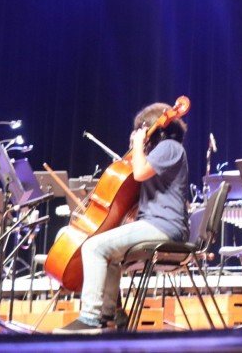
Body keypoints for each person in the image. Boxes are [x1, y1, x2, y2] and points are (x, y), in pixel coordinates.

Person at [55, 102, 190, 334]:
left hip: (165, 226)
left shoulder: (169, 147)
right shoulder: (160, 152)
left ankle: (89, 318)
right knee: (110, 255)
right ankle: (109, 314)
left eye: (141, 130)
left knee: (94, 247)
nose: (139, 135)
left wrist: (138, 146)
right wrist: (137, 150)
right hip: (155, 224)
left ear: (152, 128)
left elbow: (139, 173)